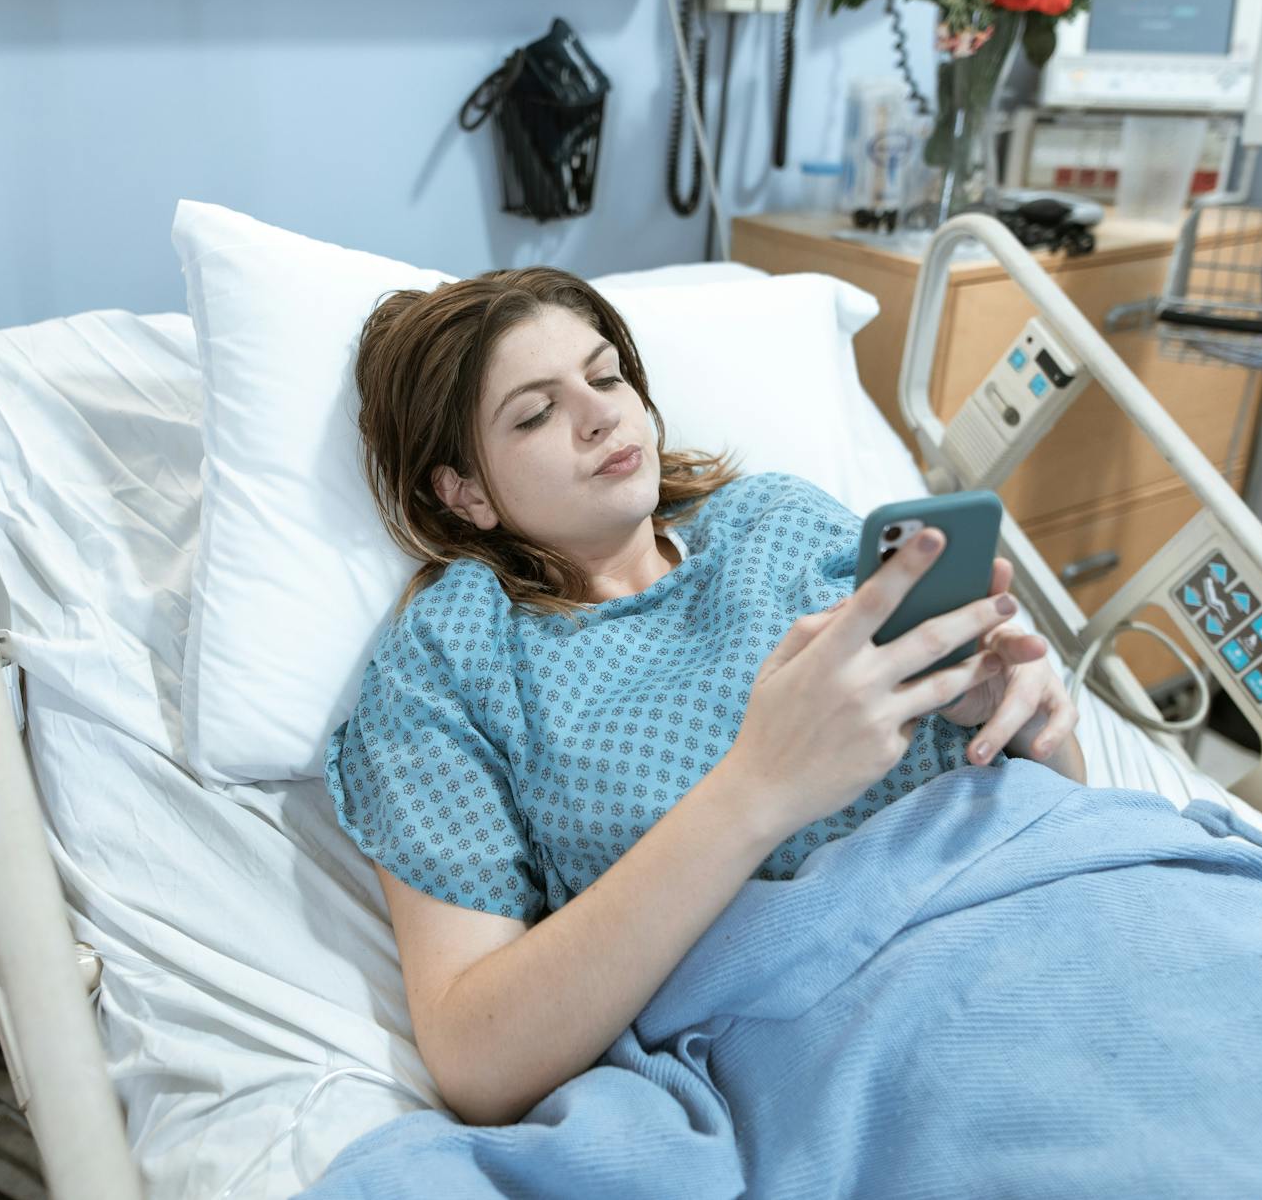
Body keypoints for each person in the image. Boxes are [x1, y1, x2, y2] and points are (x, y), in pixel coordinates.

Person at [324, 267, 1084, 1128]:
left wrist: (1023, 719)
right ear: (464, 491)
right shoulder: (454, 653)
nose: (601, 415)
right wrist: (758, 788)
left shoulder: (776, 520)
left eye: (607, 376)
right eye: (535, 413)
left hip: (1060, 906)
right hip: (867, 1037)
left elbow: (1064, 800)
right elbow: (476, 1057)